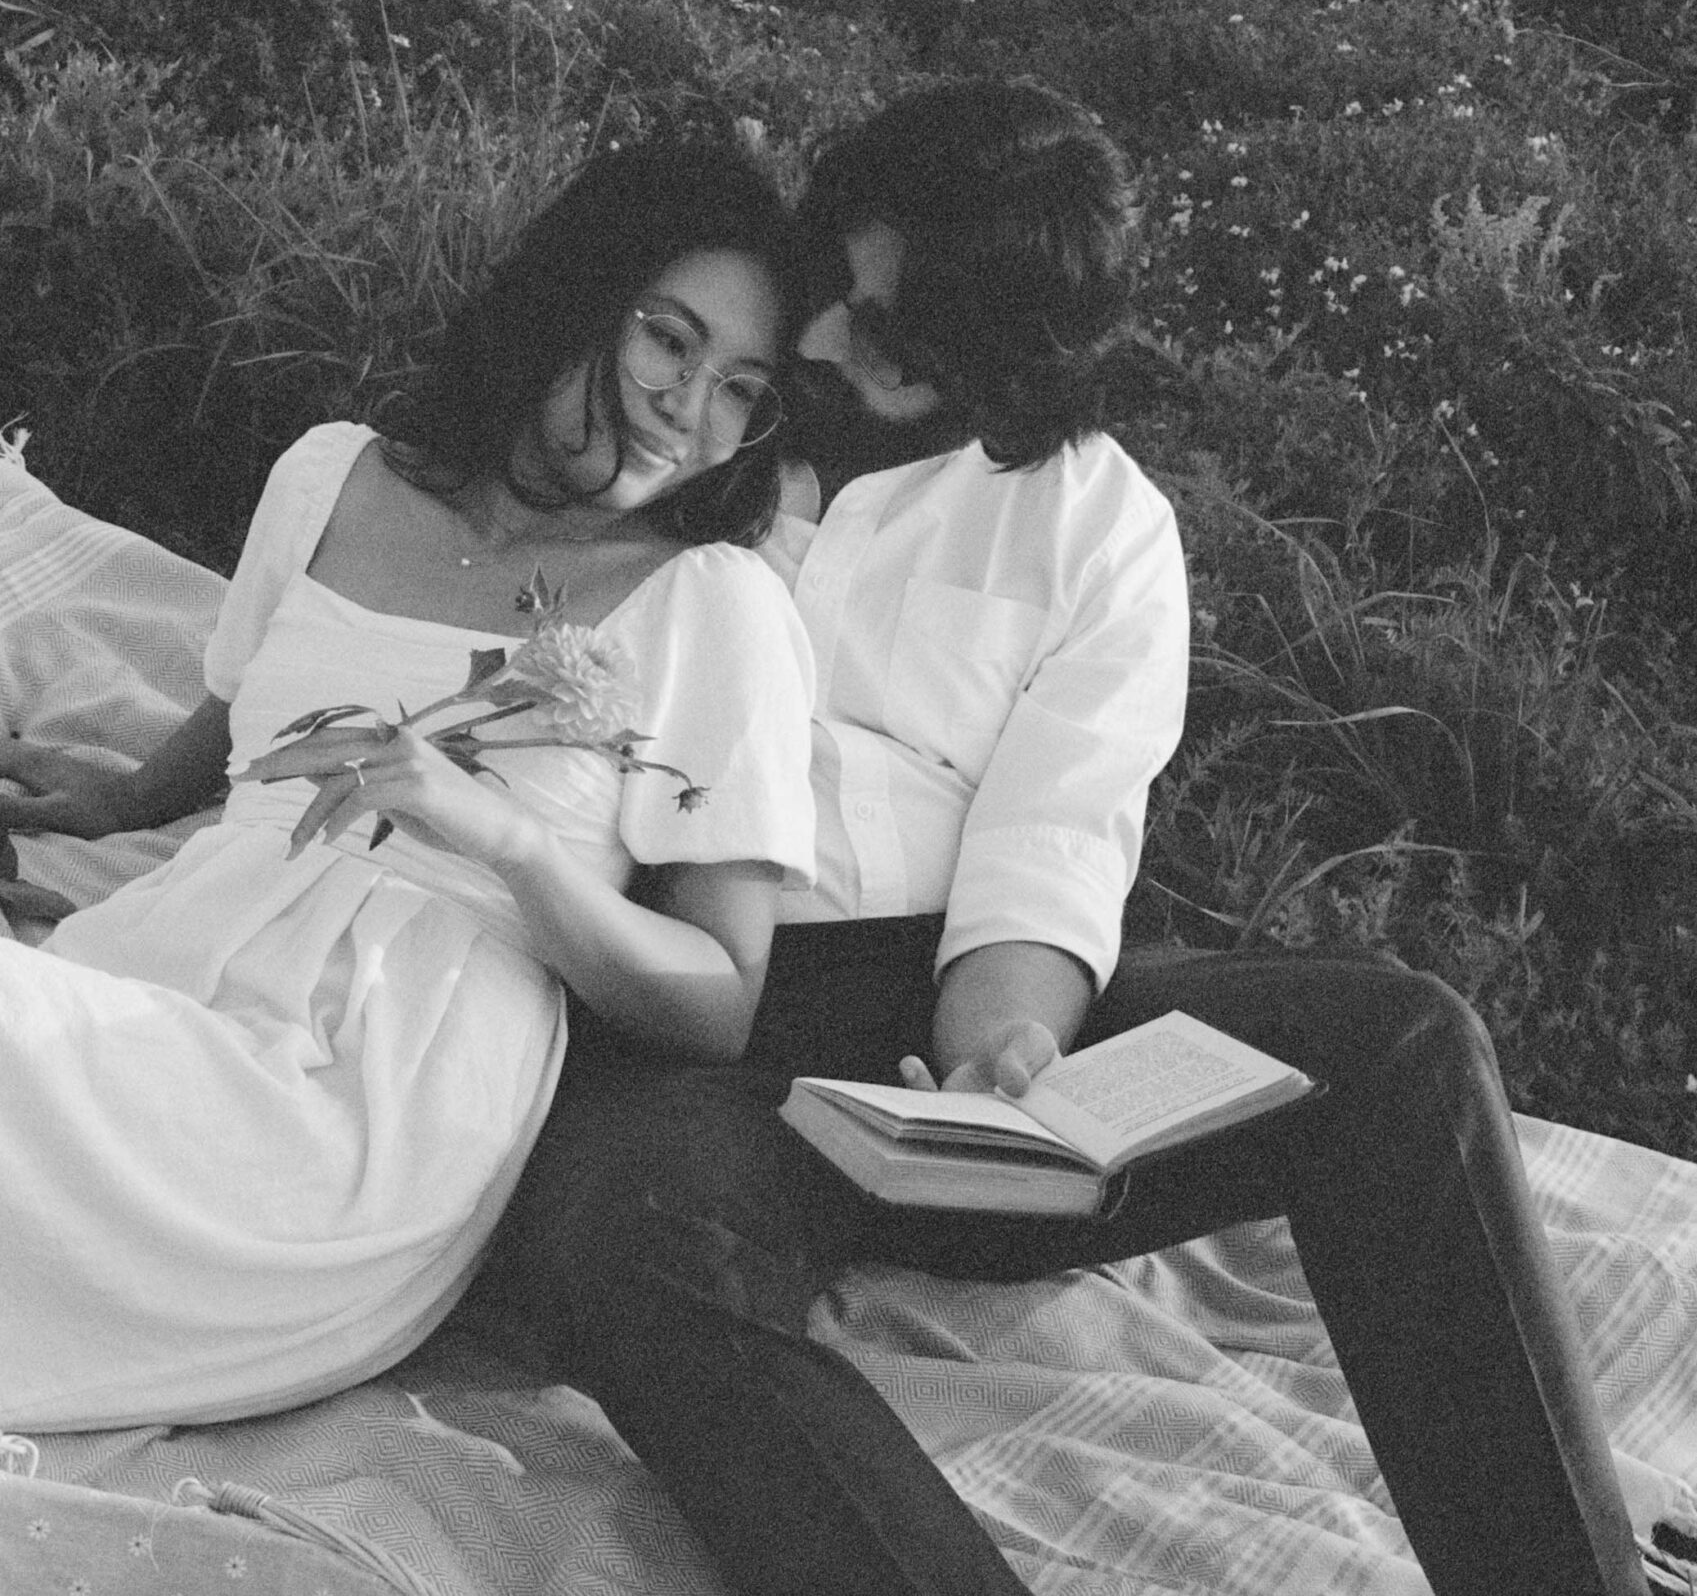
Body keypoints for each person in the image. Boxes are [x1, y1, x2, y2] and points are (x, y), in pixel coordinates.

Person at [457, 78, 1655, 1596]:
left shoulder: (1095, 525)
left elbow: (1050, 845)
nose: (822, 346)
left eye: (886, 337)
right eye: (835, 287)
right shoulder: (702, 418)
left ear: (1000, 366)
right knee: (636, 1247)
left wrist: (1002, 1065)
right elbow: (450, 577)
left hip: (950, 1015)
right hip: (677, 1003)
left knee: (1404, 1043)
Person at [0, 135, 816, 1432]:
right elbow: (239, 711)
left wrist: (514, 842)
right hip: (162, 969)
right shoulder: (333, 474)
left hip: (365, 1099)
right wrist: (124, 798)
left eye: (740, 388)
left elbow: (718, 1001)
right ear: (578, 294)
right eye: (669, 340)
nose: (687, 404)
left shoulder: (713, 605)